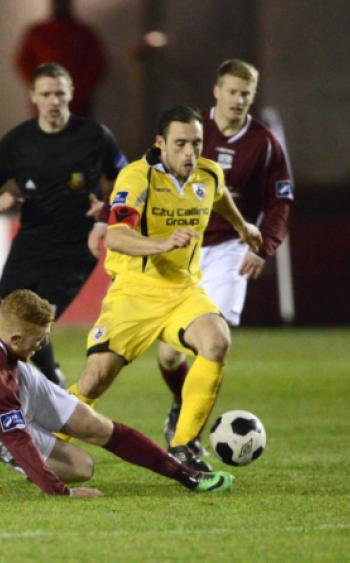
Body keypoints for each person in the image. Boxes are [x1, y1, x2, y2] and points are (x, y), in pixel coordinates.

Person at [0, 266, 234, 496]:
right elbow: (18, 441)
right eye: (38, 341)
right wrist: (61, 492)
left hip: (12, 377)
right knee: (81, 468)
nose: (43, 347)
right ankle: (34, 471)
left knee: (95, 426)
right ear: (15, 337)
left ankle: (187, 476)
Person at [67, 106, 262, 472]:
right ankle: (40, 442)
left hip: (183, 292)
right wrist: (163, 243)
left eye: (197, 143)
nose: (190, 152)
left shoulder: (208, 173)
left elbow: (218, 195)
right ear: (160, 144)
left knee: (216, 341)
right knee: (95, 379)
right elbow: (118, 236)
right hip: (135, 292)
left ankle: (184, 446)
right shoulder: (136, 178)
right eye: (181, 144)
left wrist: (242, 225)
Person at [156, 60, 294, 452]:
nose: (238, 100)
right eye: (232, 91)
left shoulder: (265, 144)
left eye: (246, 94)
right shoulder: (191, 130)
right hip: (183, 248)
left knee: (209, 344)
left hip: (230, 252)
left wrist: (264, 247)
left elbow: (280, 201)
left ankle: (189, 435)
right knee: (167, 356)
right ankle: (182, 401)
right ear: (216, 91)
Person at [0, 62, 127, 386]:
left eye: (59, 93)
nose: (53, 101)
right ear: (33, 96)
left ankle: (46, 387)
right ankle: (48, 376)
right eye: (46, 94)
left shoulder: (94, 136)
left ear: (71, 93)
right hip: (31, 241)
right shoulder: (18, 141)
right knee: (3, 318)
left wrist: (107, 208)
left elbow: (125, 180)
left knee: (37, 318)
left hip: (77, 246)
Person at [15, 0, 108, 117]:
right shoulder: (38, 32)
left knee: (77, 133)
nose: (60, 5)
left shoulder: (83, 33)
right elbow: (23, 62)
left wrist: (79, 90)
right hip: (46, 102)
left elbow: (97, 64)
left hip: (77, 104)